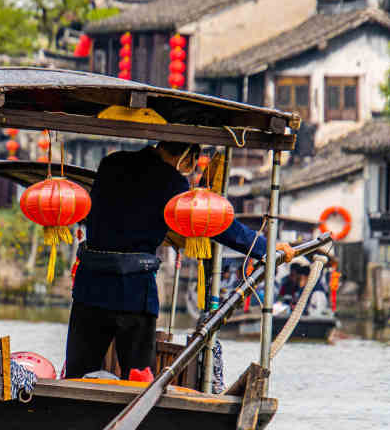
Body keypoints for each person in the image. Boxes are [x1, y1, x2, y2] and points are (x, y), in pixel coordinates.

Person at [65, 141, 295, 380]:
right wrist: (263, 247)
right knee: (138, 379)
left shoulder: (111, 163)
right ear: (188, 157)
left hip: (90, 286)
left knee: (77, 372)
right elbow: (214, 222)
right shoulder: (171, 181)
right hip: (133, 291)